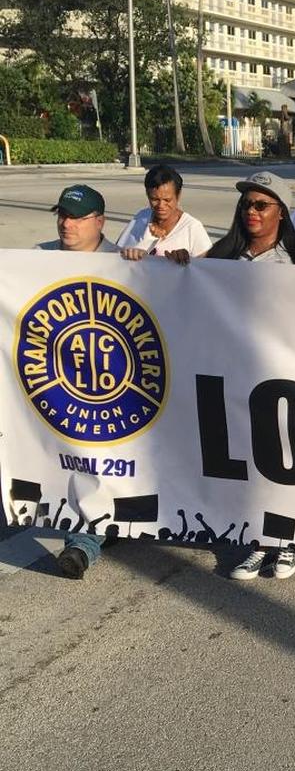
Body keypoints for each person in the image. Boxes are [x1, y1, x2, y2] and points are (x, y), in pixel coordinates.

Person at [197, 172, 295, 579]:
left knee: (284, 464)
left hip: (286, 380)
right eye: (246, 205)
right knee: (249, 466)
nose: (251, 211)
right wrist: (175, 268)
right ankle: (258, 541)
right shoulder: (221, 258)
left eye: (260, 205)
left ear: (281, 214)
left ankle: (288, 541)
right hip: (234, 381)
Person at [39, 185, 118, 579]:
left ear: (99, 222)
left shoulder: (122, 261)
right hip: (49, 384)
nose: (66, 223)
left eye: (76, 217)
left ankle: (84, 543)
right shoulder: (36, 259)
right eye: (62, 215)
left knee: (91, 462)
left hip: (104, 389)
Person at [116, 164, 211, 257]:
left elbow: (207, 266)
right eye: (154, 199)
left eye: (167, 200)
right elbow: (116, 253)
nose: (161, 205)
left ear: (178, 196)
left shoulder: (192, 228)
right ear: (147, 195)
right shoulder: (141, 218)